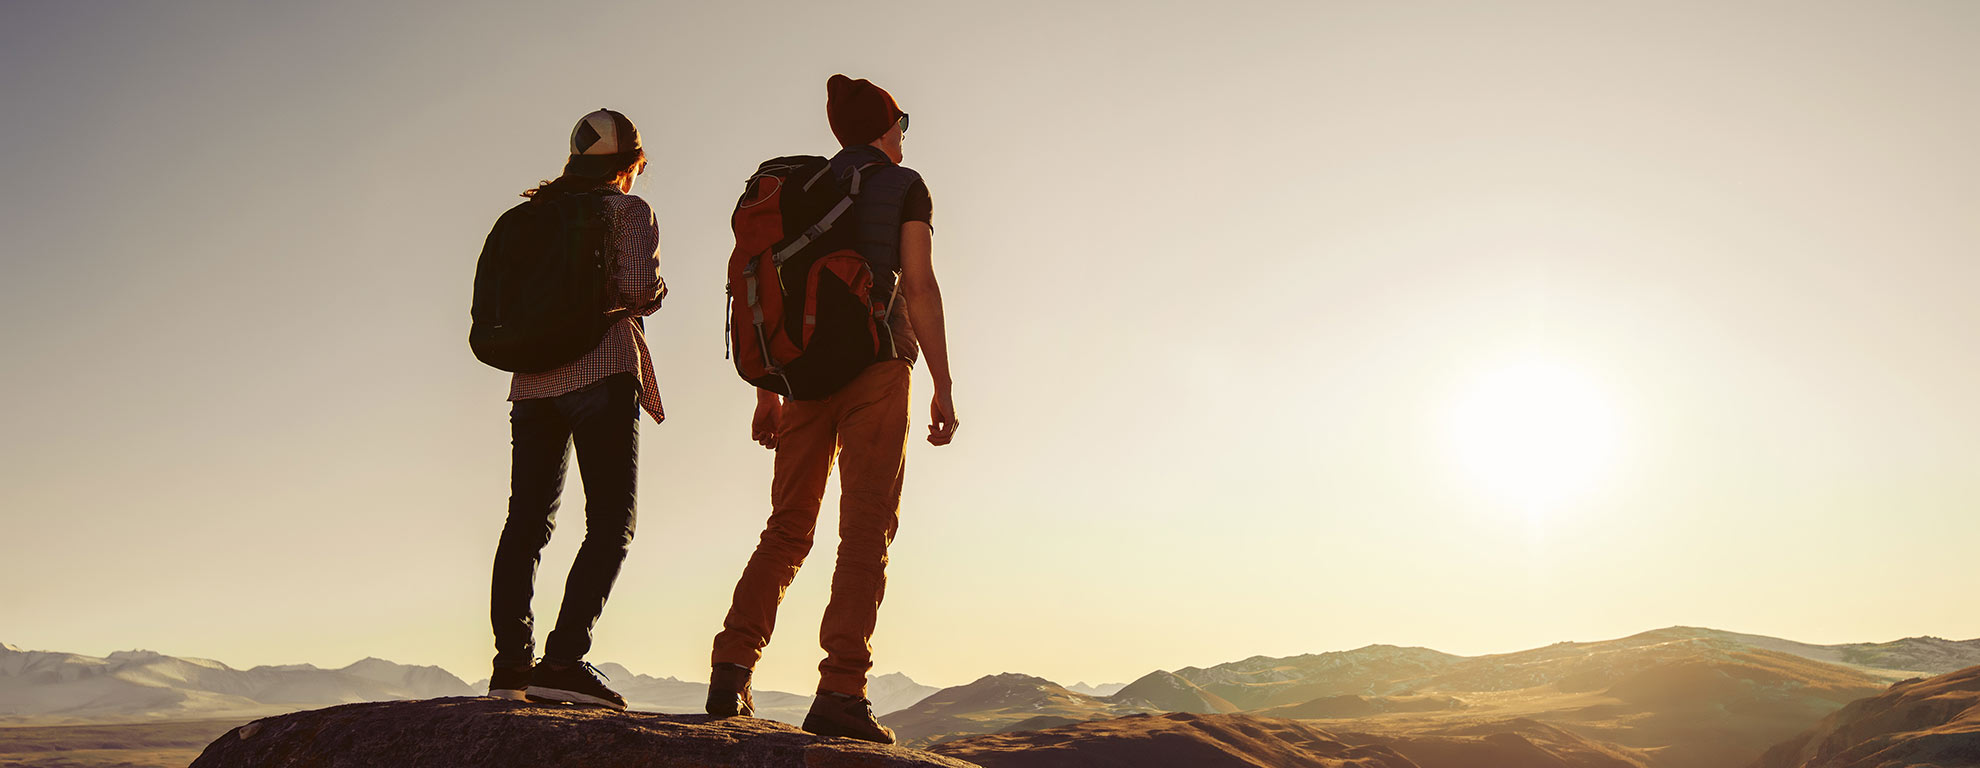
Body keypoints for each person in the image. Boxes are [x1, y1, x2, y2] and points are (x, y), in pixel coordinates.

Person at [706, 75, 957, 744]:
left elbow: (764, 286)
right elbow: (922, 286)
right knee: (865, 528)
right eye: (899, 118)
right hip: (878, 366)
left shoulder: (800, 187)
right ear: (881, 126)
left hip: (802, 379)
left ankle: (730, 669)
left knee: (787, 528)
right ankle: (841, 689)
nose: (904, 130)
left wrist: (768, 391)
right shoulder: (904, 186)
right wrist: (943, 384)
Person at [485, 109, 665, 709]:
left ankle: (511, 666)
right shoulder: (626, 212)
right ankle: (562, 660)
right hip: (602, 374)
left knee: (526, 524)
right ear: (628, 163)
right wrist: (655, 294)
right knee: (612, 523)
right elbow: (638, 292)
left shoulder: (528, 215)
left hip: (532, 386)